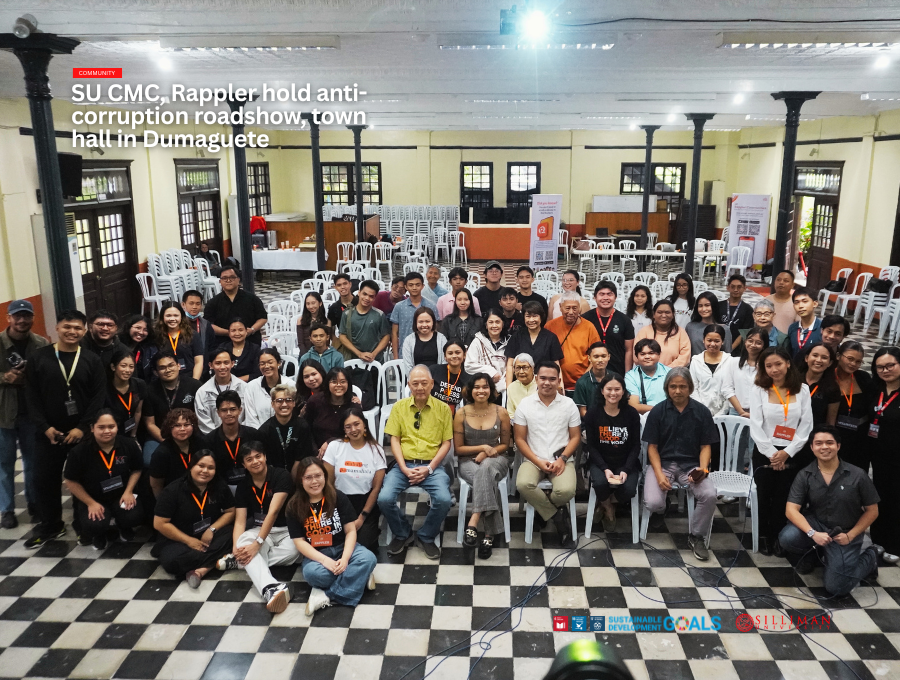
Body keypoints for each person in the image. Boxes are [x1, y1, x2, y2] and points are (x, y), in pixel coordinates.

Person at [24, 310, 105, 549]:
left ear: (84, 330)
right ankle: (51, 525)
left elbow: (98, 397)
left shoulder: (91, 359)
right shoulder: (39, 358)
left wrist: (83, 428)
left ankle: (83, 526)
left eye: (78, 328)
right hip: (48, 434)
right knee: (44, 480)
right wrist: (45, 427)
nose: (72, 332)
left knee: (83, 479)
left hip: (81, 434)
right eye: (67, 327)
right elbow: (31, 397)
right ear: (56, 327)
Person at [780, 425, 879, 594]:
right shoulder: (805, 474)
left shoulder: (857, 475)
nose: (824, 447)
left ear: (838, 446)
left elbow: (872, 511)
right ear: (811, 447)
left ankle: (870, 558)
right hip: (817, 525)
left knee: (837, 588)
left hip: (845, 532)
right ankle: (816, 553)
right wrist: (813, 533)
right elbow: (791, 510)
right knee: (787, 538)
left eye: (829, 443)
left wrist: (851, 535)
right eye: (818, 443)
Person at [642, 367, 719, 560]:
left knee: (709, 495)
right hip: (663, 463)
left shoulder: (701, 412)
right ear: (667, 388)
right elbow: (652, 448)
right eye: (673, 386)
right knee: (653, 502)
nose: (678, 391)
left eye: (682, 386)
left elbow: (705, 446)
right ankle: (662, 508)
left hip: (691, 464)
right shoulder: (658, 411)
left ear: (690, 388)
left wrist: (702, 468)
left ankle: (696, 536)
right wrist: (659, 475)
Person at [378, 365, 454, 559]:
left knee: (444, 500)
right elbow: (394, 439)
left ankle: (426, 536)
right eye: (415, 383)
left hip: (432, 466)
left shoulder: (443, 408)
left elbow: (446, 443)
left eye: (424, 383)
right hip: (404, 464)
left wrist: (429, 469)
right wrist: (403, 467)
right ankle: (402, 533)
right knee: (384, 499)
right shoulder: (399, 407)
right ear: (409, 385)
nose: (419, 387)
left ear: (431, 385)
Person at [287, 457, 377, 616]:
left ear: (324, 476)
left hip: (344, 547)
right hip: (317, 555)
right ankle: (358, 578)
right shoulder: (293, 506)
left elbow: (350, 531)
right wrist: (324, 560)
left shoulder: (337, 496)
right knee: (312, 575)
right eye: (308, 477)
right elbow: (299, 542)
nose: (314, 481)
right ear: (301, 480)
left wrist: (345, 558)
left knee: (369, 558)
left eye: (318, 476)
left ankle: (326, 595)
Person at [216, 441, 298, 613]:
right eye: (249, 459)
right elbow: (240, 521)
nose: (255, 461)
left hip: (287, 530)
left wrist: (257, 544)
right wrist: (235, 548)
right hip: (261, 530)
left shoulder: (281, 476)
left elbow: (273, 512)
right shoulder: (243, 486)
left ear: (265, 457)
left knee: (295, 553)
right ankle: (270, 588)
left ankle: (241, 563)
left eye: (258, 456)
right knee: (243, 540)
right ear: (243, 464)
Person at [749, 346, 813, 555]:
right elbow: (756, 425)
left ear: (788, 363)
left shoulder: (802, 390)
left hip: (793, 452)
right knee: (764, 494)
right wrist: (772, 454)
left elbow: (806, 426)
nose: (774, 369)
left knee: (785, 496)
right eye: (768, 366)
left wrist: (787, 452)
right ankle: (764, 535)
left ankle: (779, 535)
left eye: (778, 364)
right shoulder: (759, 389)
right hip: (765, 451)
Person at [514, 362, 581, 549]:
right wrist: (537, 461)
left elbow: (575, 437)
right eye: (543, 378)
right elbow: (519, 439)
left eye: (552, 379)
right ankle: (558, 517)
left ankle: (541, 508)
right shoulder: (525, 405)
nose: (547, 383)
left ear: (559, 381)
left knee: (566, 491)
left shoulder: (568, 404)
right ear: (536, 379)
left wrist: (563, 459)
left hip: (562, 458)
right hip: (533, 459)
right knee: (523, 484)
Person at [152, 450, 235, 588]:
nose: (205, 471)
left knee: (234, 533)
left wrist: (211, 529)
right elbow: (159, 523)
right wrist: (189, 541)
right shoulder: (173, 490)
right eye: (200, 466)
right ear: (191, 466)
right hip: (178, 540)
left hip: (208, 536)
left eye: (210, 468)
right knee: (172, 562)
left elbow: (231, 511)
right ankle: (215, 561)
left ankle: (200, 570)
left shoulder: (219, 485)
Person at [63, 410, 142, 549]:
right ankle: (99, 533)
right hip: (93, 497)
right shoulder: (79, 451)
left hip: (121, 495)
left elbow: (137, 469)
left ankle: (123, 526)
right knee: (94, 523)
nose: (107, 431)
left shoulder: (128, 444)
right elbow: (70, 481)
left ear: (117, 427)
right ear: (92, 428)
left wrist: (129, 491)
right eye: (101, 427)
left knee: (134, 515)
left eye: (111, 427)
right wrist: (90, 503)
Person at [454, 373, 512, 559]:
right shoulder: (461, 413)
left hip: (498, 459)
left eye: (485, 387)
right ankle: (489, 535)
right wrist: (482, 448)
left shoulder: (500, 412)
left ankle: (473, 520)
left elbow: (505, 445)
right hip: (467, 462)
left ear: (491, 390)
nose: (481, 390)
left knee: (486, 468)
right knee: (486, 478)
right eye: (477, 387)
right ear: (470, 390)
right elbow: (458, 449)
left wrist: (488, 452)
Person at [0, 300, 47, 528]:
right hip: (3, 414)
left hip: (31, 414)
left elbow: (47, 377)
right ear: (8, 318)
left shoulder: (41, 344)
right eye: (17, 316)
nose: (22, 320)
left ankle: (34, 504)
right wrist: (4, 378)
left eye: (26, 316)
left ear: (33, 318)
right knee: (4, 464)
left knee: (33, 462)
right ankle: (6, 509)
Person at [322, 408, 386, 553]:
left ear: (364, 425)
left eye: (357, 424)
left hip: (364, 505)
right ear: (344, 430)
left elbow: (376, 489)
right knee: (333, 544)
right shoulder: (335, 447)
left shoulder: (376, 450)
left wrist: (362, 517)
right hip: (338, 502)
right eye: (348, 426)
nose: (353, 429)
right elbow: (328, 484)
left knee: (363, 546)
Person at [584, 374, 642, 533]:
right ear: (602, 390)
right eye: (609, 389)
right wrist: (604, 468)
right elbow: (591, 446)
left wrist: (626, 469)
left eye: (617, 389)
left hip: (625, 462)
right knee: (600, 483)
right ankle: (609, 510)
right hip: (601, 461)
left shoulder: (631, 413)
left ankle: (603, 503)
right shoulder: (593, 413)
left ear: (623, 392)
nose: (613, 393)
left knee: (629, 490)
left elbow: (636, 445)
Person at [868, 346, 900, 565]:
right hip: (878, 456)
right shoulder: (875, 388)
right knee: (879, 497)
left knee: (897, 499)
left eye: (890, 365)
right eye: (880, 367)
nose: (885, 370)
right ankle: (878, 539)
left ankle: (896, 544)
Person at [142, 351, 201, 463]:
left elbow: (200, 416)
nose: (168, 370)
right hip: (161, 436)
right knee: (149, 461)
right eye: (162, 368)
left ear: (178, 366)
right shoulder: (149, 391)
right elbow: (150, 424)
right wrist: (167, 441)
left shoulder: (194, 385)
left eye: (171, 365)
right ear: (156, 372)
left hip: (189, 434)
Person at [546, 292, 601, 395]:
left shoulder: (589, 327)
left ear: (580, 308)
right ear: (560, 307)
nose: (571, 312)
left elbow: (596, 355)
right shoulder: (550, 326)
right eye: (567, 308)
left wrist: (584, 380)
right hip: (555, 384)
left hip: (583, 384)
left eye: (574, 308)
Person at [832, 341, 873, 472]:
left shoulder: (863, 378)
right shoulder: (829, 378)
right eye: (850, 359)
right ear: (838, 356)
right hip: (837, 435)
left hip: (860, 437)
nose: (853, 364)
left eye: (858, 361)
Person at [204, 264, 268, 345]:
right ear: (220, 281)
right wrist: (229, 333)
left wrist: (252, 330)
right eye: (224, 278)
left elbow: (263, 317)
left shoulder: (252, 299)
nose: (228, 280)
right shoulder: (213, 302)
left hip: (250, 342)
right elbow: (208, 325)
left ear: (238, 280)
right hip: (223, 343)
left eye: (232, 277)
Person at [504, 301, 564, 387]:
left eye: (535, 316)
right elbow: (510, 364)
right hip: (521, 385)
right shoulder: (517, 336)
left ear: (541, 317)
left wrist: (560, 387)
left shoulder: (551, 337)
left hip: (544, 385)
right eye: (528, 316)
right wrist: (508, 389)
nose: (531, 320)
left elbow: (556, 365)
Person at [207, 391, 260, 488]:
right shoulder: (209, 440)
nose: (229, 413)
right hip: (221, 488)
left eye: (233, 409)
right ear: (218, 412)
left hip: (252, 486)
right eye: (224, 410)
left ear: (240, 410)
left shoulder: (254, 435)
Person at [258, 383, 314, 473]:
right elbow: (266, 461)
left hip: (299, 473)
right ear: (272, 404)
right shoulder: (265, 430)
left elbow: (302, 457)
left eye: (288, 400)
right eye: (279, 401)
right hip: (274, 475)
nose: (284, 404)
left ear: (294, 403)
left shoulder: (302, 426)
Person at [582, 281, 634, 376]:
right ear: (595, 297)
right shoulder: (585, 319)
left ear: (615, 297)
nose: (605, 298)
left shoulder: (624, 320)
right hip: (590, 372)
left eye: (609, 294)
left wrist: (628, 375)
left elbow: (629, 350)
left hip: (617, 371)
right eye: (601, 294)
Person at [149, 408, 205, 496]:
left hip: (199, 491)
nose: (182, 429)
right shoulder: (161, 453)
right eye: (177, 425)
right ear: (169, 428)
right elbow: (156, 485)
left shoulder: (200, 443)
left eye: (186, 425)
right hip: (173, 496)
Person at [305, 367, 357, 455]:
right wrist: (315, 452)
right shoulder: (315, 400)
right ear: (327, 383)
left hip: (344, 450)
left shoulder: (353, 404)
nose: (338, 385)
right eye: (334, 381)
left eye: (343, 381)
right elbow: (306, 429)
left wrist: (330, 442)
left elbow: (355, 432)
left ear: (348, 384)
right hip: (316, 451)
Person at [194, 348, 247, 434]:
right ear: (211, 365)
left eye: (226, 363)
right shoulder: (202, 392)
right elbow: (203, 421)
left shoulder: (244, 388)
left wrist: (239, 433)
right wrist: (217, 437)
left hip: (241, 436)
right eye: (218, 363)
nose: (222, 367)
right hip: (214, 440)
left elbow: (248, 416)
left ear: (232, 364)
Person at [338, 280, 391, 364]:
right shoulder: (347, 314)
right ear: (359, 293)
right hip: (352, 360)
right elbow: (342, 336)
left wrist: (374, 354)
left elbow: (386, 336)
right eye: (364, 294)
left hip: (375, 361)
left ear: (374, 297)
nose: (367, 298)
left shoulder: (379, 315)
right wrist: (359, 353)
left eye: (371, 296)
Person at [721, 326, 768, 418]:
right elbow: (727, 389)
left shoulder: (767, 366)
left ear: (764, 346)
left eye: (758, 343)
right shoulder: (733, 362)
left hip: (760, 412)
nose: (753, 345)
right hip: (735, 411)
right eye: (750, 341)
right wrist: (741, 412)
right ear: (745, 341)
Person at [689, 324, 734, 416]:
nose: (712, 344)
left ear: (723, 342)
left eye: (717, 341)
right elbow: (693, 388)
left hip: (725, 414)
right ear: (703, 340)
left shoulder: (730, 361)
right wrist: (703, 411)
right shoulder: (696, 361)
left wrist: (721, 414)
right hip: (699, 413)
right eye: (709, 340)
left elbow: (731, 390)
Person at [391, 272, 438, 359]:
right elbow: (394, 333)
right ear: (406, 287)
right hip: (404, 353)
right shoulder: (399, 307)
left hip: (427, 353)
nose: (414, 288)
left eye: (417, 285)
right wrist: (396, 357)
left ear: (423, 286)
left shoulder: (431, 306)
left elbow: (435, 330)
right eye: (411, 285)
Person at [244, 348, 293, 429]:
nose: (266, 366)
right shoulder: (251, 387)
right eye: (262, 363)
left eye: (270, 362)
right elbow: (251, 419)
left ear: (279, 363)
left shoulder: (290, 385)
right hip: (258, 435)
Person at [155, 302, 205, 380]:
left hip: (189, 378)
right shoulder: (157, 336)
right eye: (168, 316)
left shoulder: (192, 335)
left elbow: (198, 361)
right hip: (165, 380)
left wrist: (194, 383)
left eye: (176, 315)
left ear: (181, 316)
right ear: (162, 317)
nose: (172, 319)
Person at [465, 310, 510, 394]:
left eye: (497, 322)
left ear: (503, 324)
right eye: (491, 322)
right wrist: (491, 372)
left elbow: (511, 367)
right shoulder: (478, 341)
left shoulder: (510, 341)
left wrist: (500, 387)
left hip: (504, 389)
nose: (494, 325)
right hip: (482, 389)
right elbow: (469, 365)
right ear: (486, 325)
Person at [636, 300, 690, 367]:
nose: (664, 315)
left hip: (673, 374)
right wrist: (654, 371)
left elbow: (685, 357)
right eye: (660, 312)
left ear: (673, 314)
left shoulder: (681, 332)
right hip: (647, 374)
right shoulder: (644, 331)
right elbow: (637, 356)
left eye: (667, 312)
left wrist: (666, 371)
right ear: (654, 314)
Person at [106, 350, 146, 438]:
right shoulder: (104, 388)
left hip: (130, 432)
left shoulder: (140, 384)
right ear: (113, 367)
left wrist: (133, 435)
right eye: (123, 366)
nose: (128, 370)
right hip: (109, 433)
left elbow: (138, 412)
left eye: (131, 366)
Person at [798, 343, 840, 426]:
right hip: (790, 432)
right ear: (806, 358)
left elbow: (830, 422)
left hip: (815, 434)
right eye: (815, 355)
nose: (819, 360)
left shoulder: (832, 388)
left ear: (830, 363)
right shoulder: (793, 380)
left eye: (824, 358)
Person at [625, 339, 670, 414]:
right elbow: (634, 406)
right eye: (642, 354)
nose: (647, 357)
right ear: (637, 357)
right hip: (642, 417)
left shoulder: (670, 373)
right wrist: (659, 410)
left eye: (651, 353)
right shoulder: (630, 376)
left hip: (668, 415)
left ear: (659, 355)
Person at [401, 307, 447, 377]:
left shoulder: (441, 339)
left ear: (433, 322)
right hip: (415, 380)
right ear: (415, 323)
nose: (424, 325)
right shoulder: (408, 340)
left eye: (427, 321)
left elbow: (444, 364)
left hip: (437, 380)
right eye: (421, 322)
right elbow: (408, 366)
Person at [573, 342, 613, 418]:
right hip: (590, 424)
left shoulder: (615, 379)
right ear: (589, 358)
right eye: (596, 357)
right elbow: (582, 411)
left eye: (603, 356)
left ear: (609, 357)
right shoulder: (582, 382)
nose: (600, 360)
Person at [686, 291, 732, 356]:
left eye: (707, 305)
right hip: (695, 364)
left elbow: (727, 353)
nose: (703, 309)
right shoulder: (690, 327)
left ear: (714, 306)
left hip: (718, 365)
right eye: (700, 306)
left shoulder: (724, 329)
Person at [430, 341, 469, 414]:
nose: (454, 356)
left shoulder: (469, 379)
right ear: (445, 356)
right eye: (450, 353)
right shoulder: (434, 371)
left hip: (455, 416)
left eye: (457, 353)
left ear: (464, 355)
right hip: (432, 413)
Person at [719, 275, 755, 353]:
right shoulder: (719, 306)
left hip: (738, 350)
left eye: (739, 287)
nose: (735, 290)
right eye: (733, 287)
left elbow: (744, 332)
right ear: (727, 287)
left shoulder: (748, 309)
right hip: (718, 346)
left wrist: (730, 349)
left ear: (744, 288)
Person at [118, 314, 157, 383]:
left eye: (145, 330)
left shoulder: (151, 349)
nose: (141, 332)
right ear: (129, 327)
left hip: (143, 387)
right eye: (138, 328)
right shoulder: (118, 345)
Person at [181, 289, 215, 369]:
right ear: (183, 305)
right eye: (191, 303)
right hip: (184, 366)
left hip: (203, 366)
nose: (194, 307)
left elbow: (212, 346)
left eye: (198, 304)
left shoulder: (206, 324)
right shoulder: (178, 323)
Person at [221, 318, 261, 383]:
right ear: (229, 332)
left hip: (249, 386)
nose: (237, 333)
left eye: (240, 330)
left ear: (246, 331)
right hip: (226, 386)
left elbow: (257, 373)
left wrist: (235, 381)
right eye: (233, 330)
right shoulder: (222, 348)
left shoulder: (255, 349)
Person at [786, 287, 822, 359]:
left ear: (815, 303)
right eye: (797, 302)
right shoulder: (792, 328)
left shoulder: (822, 327)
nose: (800, 306)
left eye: (805, 301)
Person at [327, 273, 357, 352]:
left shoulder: (359, 302)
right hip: (343, 344)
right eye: (339, 285)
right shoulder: (334, 308)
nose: (343, 287)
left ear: (350, 284)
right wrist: (337, 342)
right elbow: (331, 330)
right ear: (335, 287)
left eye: (345, 283)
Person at [766, 269, 799, 334]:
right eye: (778, 280)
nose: (781, 282)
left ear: (793, 285)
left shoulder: (796, 303)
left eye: (786, 281)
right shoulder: (766, 301)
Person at [296, 291, 327, 357]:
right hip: (305, 354)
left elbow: (326, 343)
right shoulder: (301, 320)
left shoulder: (326, 321)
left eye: (313, 303)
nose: (310, 306)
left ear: (320, 303)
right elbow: (301, 343)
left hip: (322, 355)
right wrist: (307, 356)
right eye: (308, 304)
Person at [506, 353, 537, 419]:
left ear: (533, 368)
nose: (521, 372)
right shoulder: (511, 387)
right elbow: (511, 414)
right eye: (518, 368)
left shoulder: (541, 384)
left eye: (525, 368)